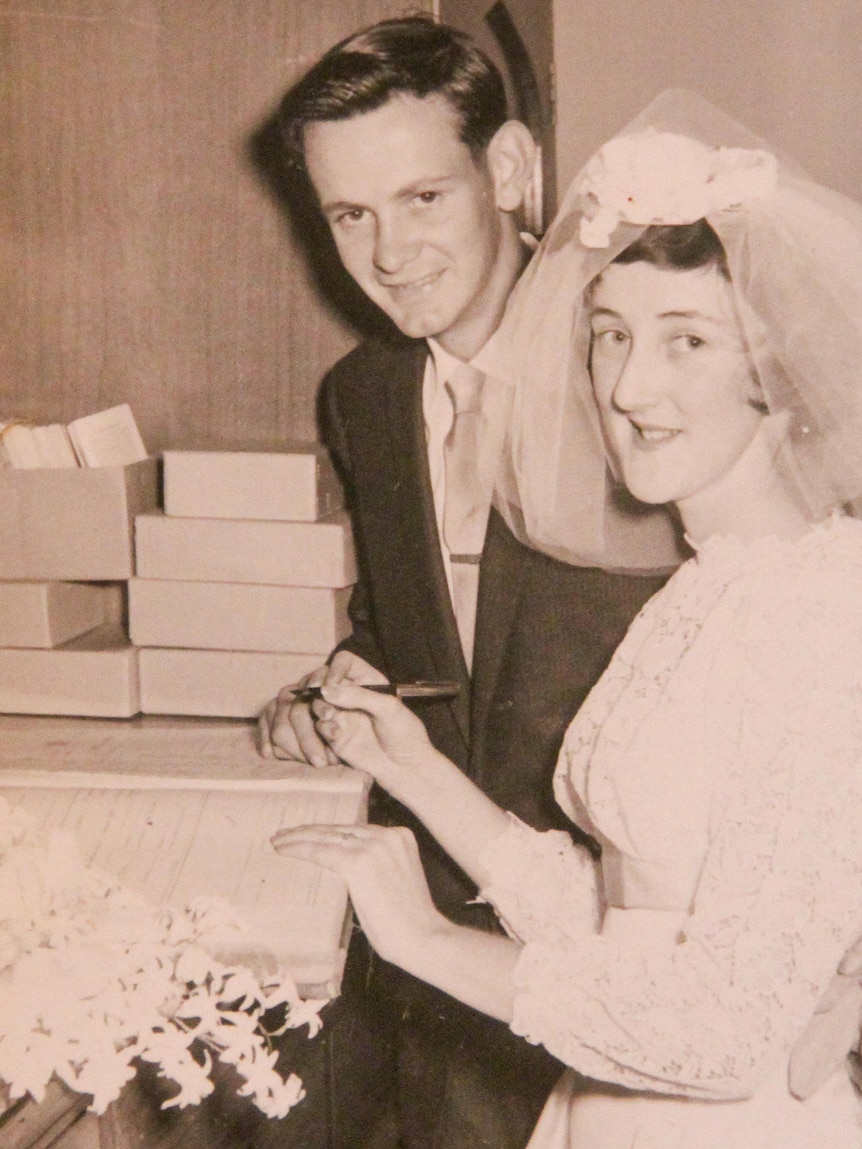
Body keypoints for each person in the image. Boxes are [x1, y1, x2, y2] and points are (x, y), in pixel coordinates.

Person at [271, 89, 862, 1148]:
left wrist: (420, 937)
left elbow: (722, 1034)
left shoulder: (820, 612)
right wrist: (415, 772)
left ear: (782, 375)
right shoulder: (717, 579)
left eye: (687, 341)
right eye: (609, 335)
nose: (631, 386)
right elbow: (627, 923)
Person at [258, 18, 683, 1149]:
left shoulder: (646, 366)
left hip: (627, 946)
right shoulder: (362, 394)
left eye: (422, 199)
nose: (388, 252)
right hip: (421, 934)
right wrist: (331, 696)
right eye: (350, 214)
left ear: (505, 169)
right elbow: (402, 633)